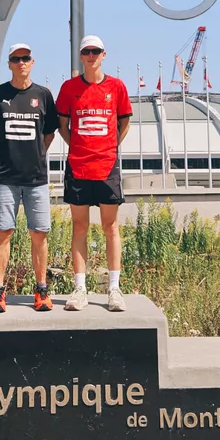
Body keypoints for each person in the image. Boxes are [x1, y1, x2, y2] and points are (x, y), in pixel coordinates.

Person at [0, 43, 58, 313]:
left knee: (39, 233)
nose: (21, 62)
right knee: (4, 233)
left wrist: (38, 153)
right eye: (16, 59)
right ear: (9, 64)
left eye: (26, 58)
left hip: (36, 179)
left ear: (32, 62)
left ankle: (41, 290)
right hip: (6, 179)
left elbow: (50, 132)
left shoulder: (43, 95)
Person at [56, 35, 132, 312]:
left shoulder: (117, 87)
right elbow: (62, 126)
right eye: (86, 51)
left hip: (106, 167)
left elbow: (124, 123)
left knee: (111, 227)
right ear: (81, 55)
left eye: (95, 51)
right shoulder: (69, 88)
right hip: (78, 166)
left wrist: (109, 147)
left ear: (103, 54)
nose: (91, 56)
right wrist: (78, 147)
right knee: (79, 227)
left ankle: (114, 289)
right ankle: (80, 289)